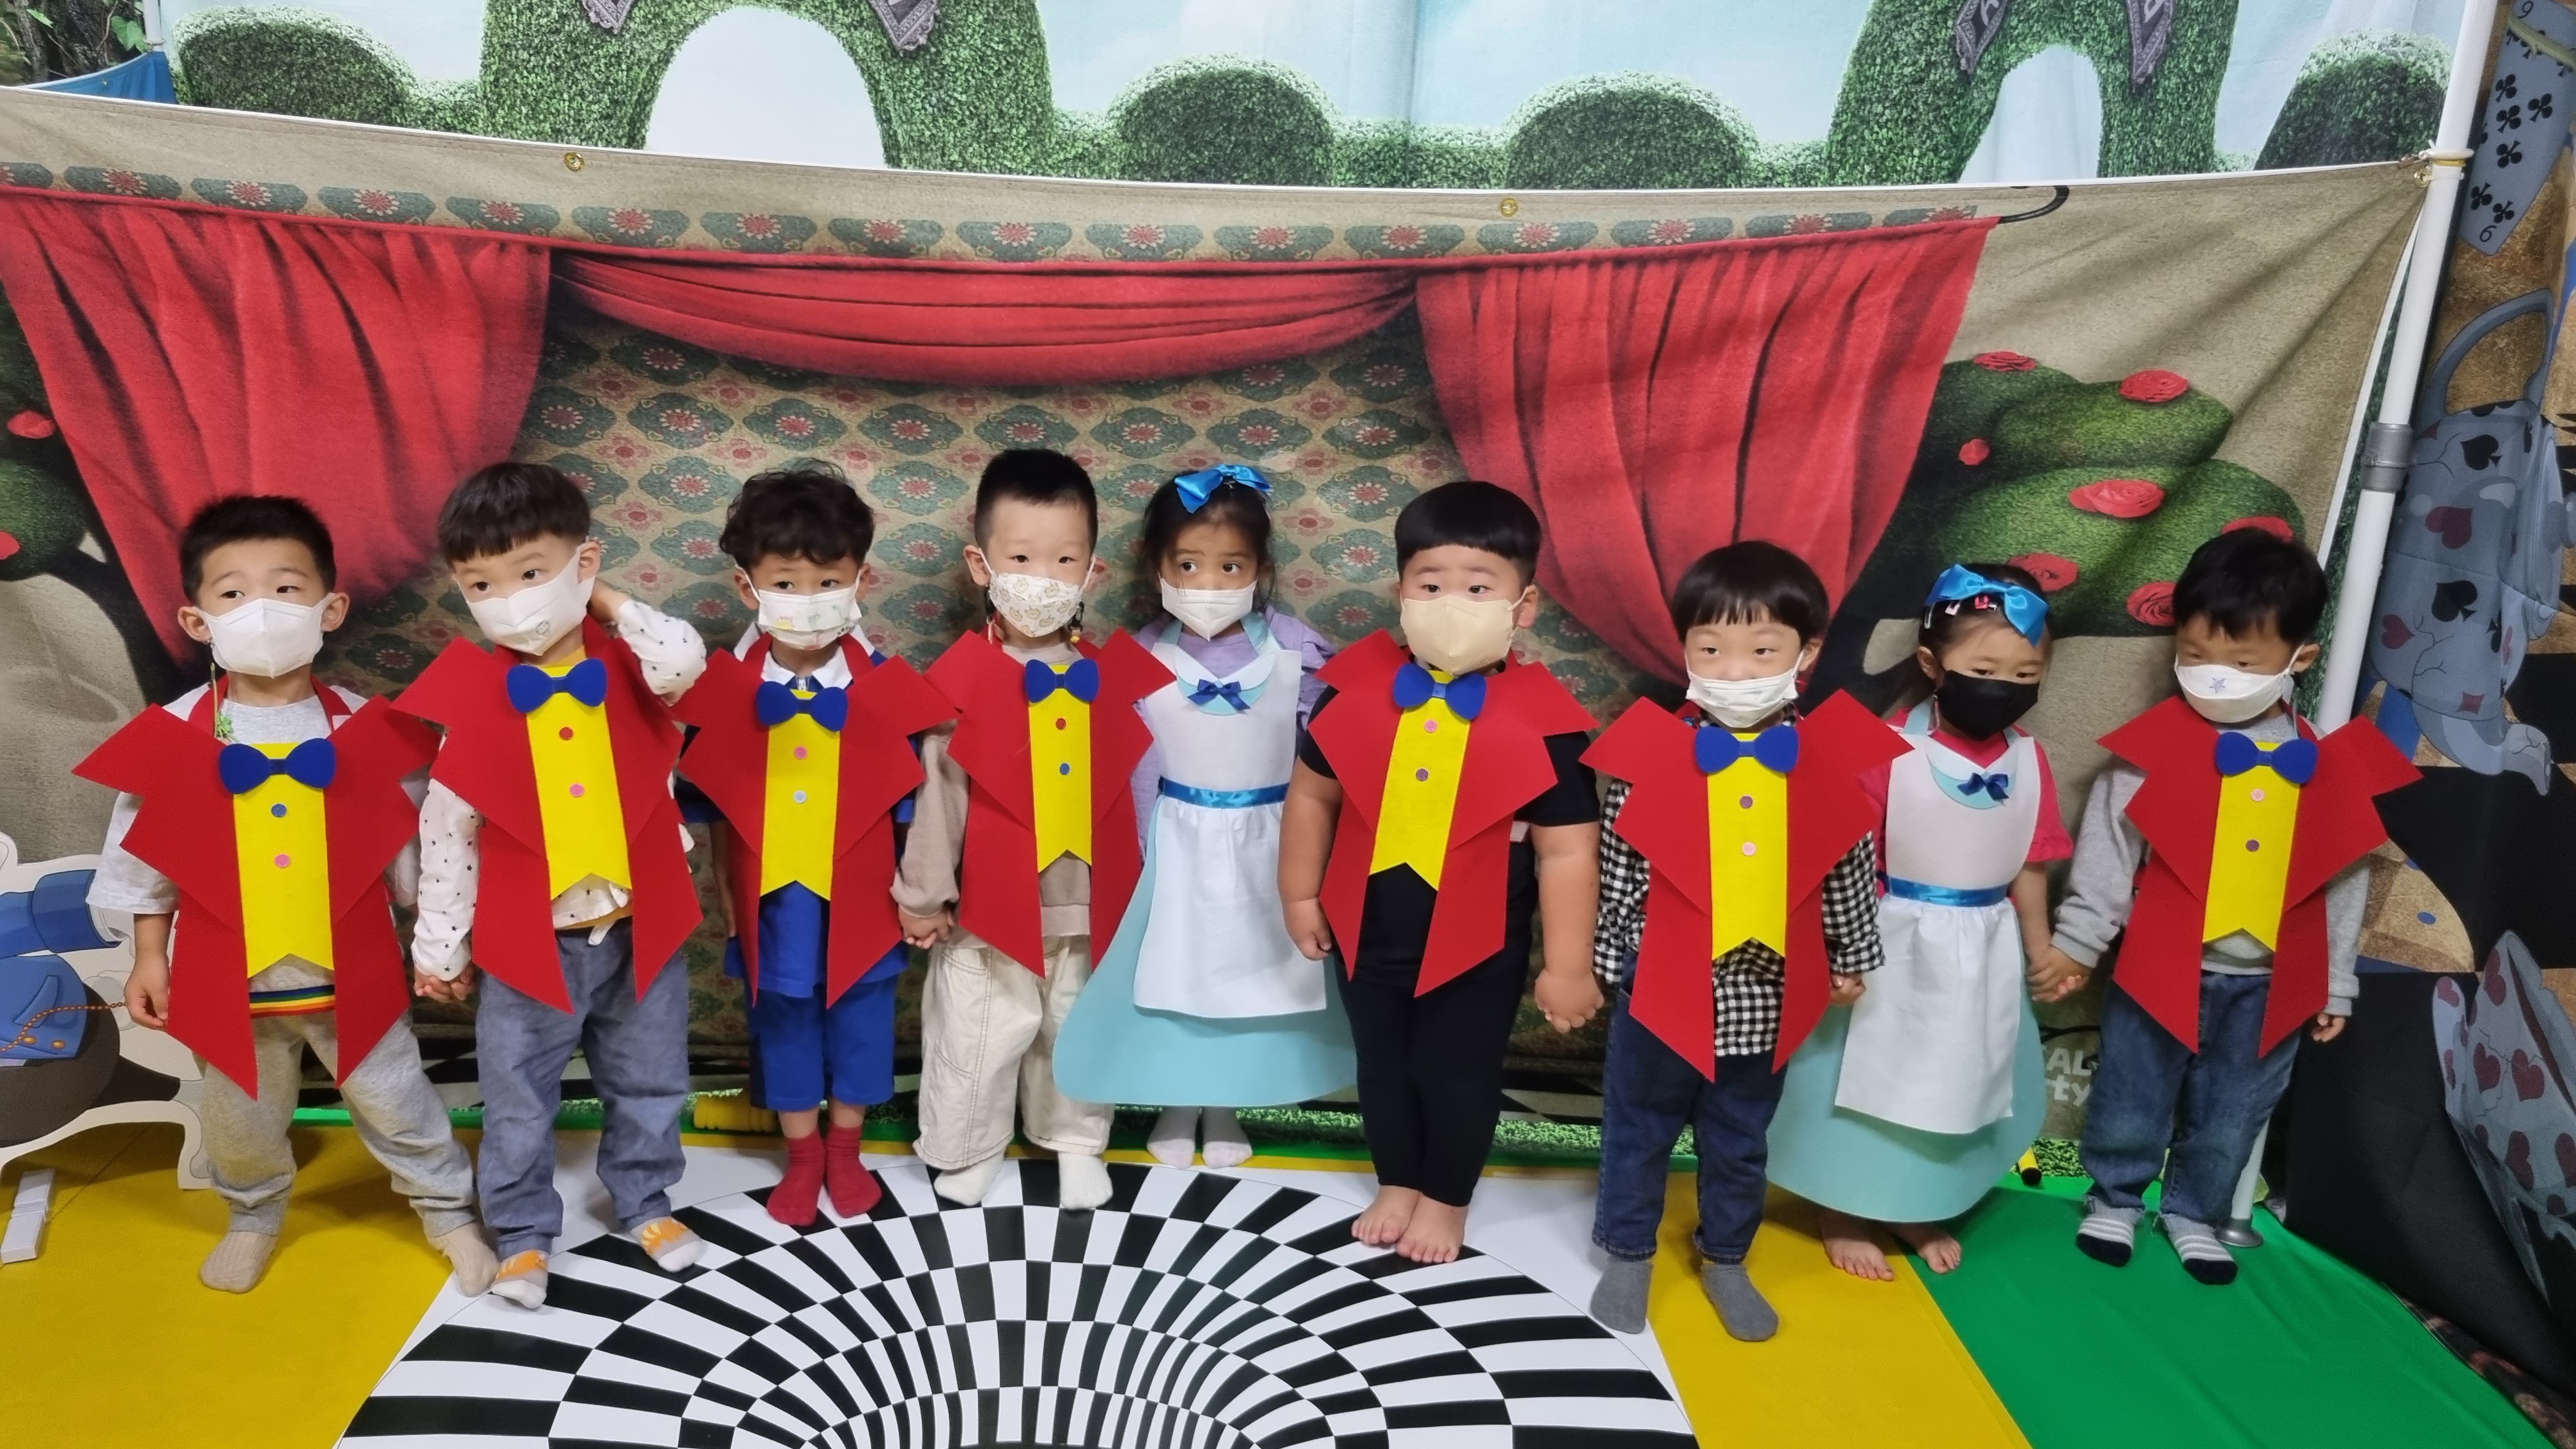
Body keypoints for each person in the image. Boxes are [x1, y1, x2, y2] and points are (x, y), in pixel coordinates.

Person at [77, 495, 489, 1294]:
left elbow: (418, 846)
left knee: (399, 1100)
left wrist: (437, 945)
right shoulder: (174, 734)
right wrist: (149, 958)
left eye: (286, 588)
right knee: (241, 1117)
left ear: (330, 608)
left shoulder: (370, 728)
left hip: (354, 970)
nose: (261, 609)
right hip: (225, 978)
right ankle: (253, 1216)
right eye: (234, 593)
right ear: (198, 621)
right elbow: (143, 857)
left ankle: (448, 1213)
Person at [2032, 530, 2415, 1284]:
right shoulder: (2152, 749)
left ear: (2300, 657)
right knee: (2132, 1093)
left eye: (2241, 664)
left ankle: (2194, 1214)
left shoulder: (2325, 763)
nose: (2214, 677)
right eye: (2195, 655)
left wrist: (2336, 982)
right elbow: (2110, 846)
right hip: (2160, 966)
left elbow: (2340, 877)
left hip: (2272, 983)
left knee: (2235, 1112)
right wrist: (2079, 939)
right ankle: (2115, 1199)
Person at [396, 461, 711, 1308]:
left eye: (531, 572)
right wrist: (440, 949)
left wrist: (598, 599)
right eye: (481, 585)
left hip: (641, 929)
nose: (510, 600)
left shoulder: (637, 668)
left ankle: (645, 1202)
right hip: (530, 947)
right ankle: (523, 1233)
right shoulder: (473, 699)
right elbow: (448, 834)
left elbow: (684, 658)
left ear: (584, 563)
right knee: (518, 1098)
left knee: (650, 1079)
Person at [1582, 541, 1905, 1342]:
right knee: (1638, 1125)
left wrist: (1851, 957)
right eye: (1711, 649)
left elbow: (1847, 862)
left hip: (1767, 991)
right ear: (1684, 649)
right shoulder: (1646, 753)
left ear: (1807, 651)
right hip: (1660, 984)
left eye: (1761, 651)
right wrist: (1609, 965)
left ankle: (1727, 1256)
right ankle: (1628, 1252)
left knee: (1739, 1137)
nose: (1734, 670)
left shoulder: (1829, 759)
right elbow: (1619, 868)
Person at [1278, 480, 1602, 1265]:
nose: (1451, 602)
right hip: (1365, 928)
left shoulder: (1548, 723)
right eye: (1431, 585)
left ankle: (1447, 1197)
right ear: (1400, 593)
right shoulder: (1351, 691)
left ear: (1524, 605)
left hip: (1478, 947)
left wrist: (1567, 967)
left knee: (1455, 1074)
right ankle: (1397, 1180)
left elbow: (1567, 850)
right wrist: (1299, 893)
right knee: (1382, 1066)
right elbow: (1312, 795)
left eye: (1478, 587)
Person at [1765, 563, 2067, 1281]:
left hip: (1985, 946)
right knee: (1864, 1076)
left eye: (2026, 675)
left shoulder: (2031, 759)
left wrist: (2041, 948)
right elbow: (1842, 861)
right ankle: (1843, 1204)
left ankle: (1916, 1199)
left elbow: (2030, 863)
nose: (2005, 686)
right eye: (1985, 670)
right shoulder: (1884, 747)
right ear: (1933, 664)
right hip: (1887, 939)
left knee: (1957, 1077)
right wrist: (1839, 949)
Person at [1054, 465, 1354, 1169]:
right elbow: (1129, 766)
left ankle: (1226, 1105)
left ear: (1261, 568)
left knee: (1255, 976)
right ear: (1156, 567)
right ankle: (1178, 1100)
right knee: (1174, 975)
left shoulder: (1298, 654)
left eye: (1231, 567)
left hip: (1272, 845)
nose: (1209, 583)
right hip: (1176, 841)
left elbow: (1327, 763)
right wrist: (1134, 853)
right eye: (1189, 565)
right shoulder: (1138, 658)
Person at [674, 464, 951, 1226]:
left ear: (862, 580)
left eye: (828, 581)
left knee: (863, 1020)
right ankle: (801, 1157)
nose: (808, 599)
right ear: (748, 587)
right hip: (773, 901)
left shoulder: (888, 687)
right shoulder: (724, 691)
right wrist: (729, 906)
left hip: (868, 895)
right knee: (785, 1021)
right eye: (785, 584)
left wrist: (917, 894)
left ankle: (845, 1149)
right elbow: (713, 814)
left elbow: (917, 809)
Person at [895, 450, 1169, 1211]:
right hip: (988, 908)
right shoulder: (960, 682)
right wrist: (923, 894)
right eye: (1021, 558)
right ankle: (970, 1147)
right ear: (981, 565)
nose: (1042, 577)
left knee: (1076, 1028)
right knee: (976, 1034)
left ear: (1092, 571)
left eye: (1063, 560)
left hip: (1086, 904)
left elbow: (1138, 790)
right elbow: (939, 795)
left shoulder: (1111, 677)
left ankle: (1076, 1141)